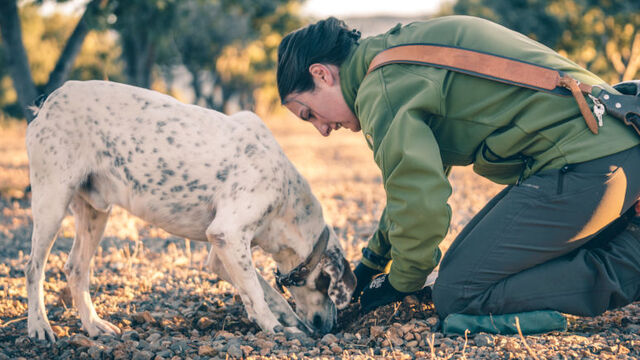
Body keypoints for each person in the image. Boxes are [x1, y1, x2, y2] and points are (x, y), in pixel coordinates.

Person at [276, 15, 640, 333]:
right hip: (607, 149)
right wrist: (373, 262)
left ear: (321, 74)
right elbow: (413, 183)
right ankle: (620, 227)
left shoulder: (380, 89)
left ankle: (629, 264)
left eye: (309, 114)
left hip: (590, 164)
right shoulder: (396, 54)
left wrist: (401, 282)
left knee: (458, 293)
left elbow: (420, 207)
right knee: (467, 271)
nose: (321, 130)